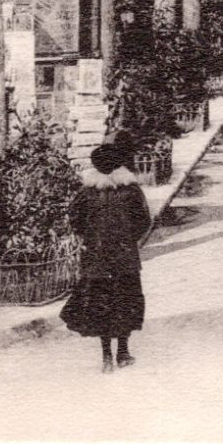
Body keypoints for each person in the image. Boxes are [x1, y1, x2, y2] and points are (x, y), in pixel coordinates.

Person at [60, 142, 152, 372]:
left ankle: (106, 357)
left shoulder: (87, 192)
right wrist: (129, 240)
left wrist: (92, 239)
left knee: (101, 305)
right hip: (125, 259)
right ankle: (123, 352)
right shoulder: (131, 190)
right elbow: (144, 221)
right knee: (125, 303)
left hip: (97, 259)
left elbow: (75, 219)